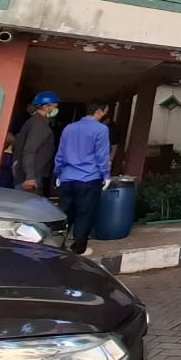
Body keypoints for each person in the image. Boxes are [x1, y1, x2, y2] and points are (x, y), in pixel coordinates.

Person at [55, 102, 112, 255]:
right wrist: (106, 175)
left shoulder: (69, 128)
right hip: (89, 178)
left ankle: (56, 245)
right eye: (104, 112)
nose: (105, 115)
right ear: (98, 111)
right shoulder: (101, 129)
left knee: (64, 215)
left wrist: (58, 173)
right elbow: (102, 156)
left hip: (67, 178)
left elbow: (60, 153)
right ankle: (78, 249)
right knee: (84, 214)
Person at [13, 91, 59, 197]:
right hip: (30, 179)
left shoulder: (36, 122)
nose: (56, 110)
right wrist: (30, 177)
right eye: (54, 107)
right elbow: (29, 150)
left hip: (32, 175)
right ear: (46, 107)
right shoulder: (39, 125)